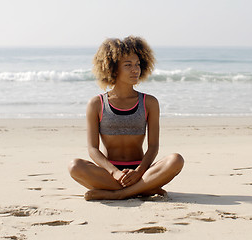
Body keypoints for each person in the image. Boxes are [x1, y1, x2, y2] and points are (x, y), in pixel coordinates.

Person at [68, 36, 184, 200]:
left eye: (137, 64)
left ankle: (121, 194)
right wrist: (114, 172)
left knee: (176, 160)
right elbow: (93, 149)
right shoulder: (96, 104)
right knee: (75, 166)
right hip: (109, 173)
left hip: (142, 171)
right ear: (113, 69)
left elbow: (153, 146)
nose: (135, 69)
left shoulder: (149, 102)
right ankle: (143, 189)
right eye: (128, 65)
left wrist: (139, 172)